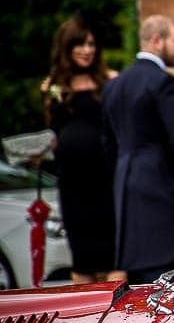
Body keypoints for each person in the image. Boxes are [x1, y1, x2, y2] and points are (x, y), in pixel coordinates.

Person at [102, 15, 174, 284]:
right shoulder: (162, 82)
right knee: (166, 275)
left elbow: (108, 144)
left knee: (138, 279)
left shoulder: (114, 85)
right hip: (161, 186)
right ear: (157, 41)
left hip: (126, 188)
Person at [40, 14, 125, 283]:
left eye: (91, 44)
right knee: (83, 257)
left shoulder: (110, 81)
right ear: (67, 47)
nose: (87, 50)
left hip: (107, 181)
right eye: (80, 44)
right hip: (74, 185)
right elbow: (53, 133)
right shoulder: (53, 87)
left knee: (114, 254)